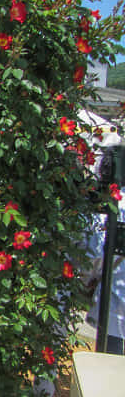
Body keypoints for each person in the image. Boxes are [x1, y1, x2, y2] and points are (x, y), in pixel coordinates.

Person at [83, 145, 125, 355]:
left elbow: (95, 253)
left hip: (117, 303)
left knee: (112, 361)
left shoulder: (113, 205)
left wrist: (89, 279)